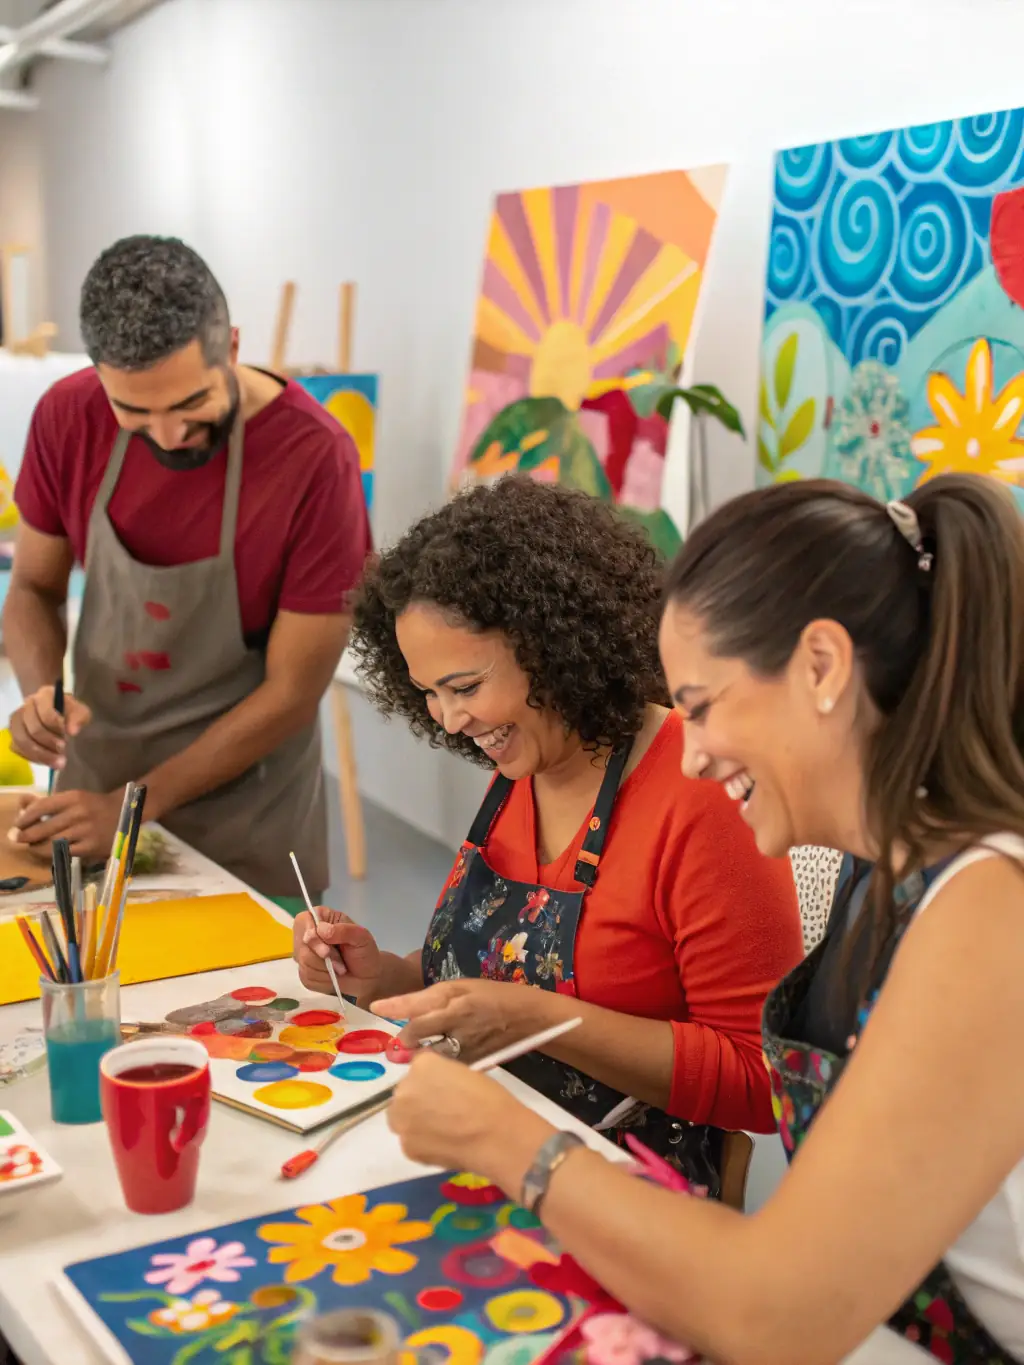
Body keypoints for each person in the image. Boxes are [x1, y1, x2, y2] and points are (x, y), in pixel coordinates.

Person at [385, 473, 1024, 1365]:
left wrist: (507, 1140)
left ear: (822, 668)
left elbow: (777, 1313)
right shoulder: (889, 874)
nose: (689, 758)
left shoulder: (988, 909)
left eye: (704, 707)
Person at [295, 475, 802, 1193]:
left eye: (465, 687)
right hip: (496, 1148)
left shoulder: (701, 793)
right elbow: (489, 980)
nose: (450, 721)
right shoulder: (522, 766)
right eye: (429, 693)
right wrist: (382, 977)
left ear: (554, 646)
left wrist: (539, 1020)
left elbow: (761, 1082)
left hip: (631, 1194)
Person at [5, 236, 370, 905]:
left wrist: (132, 807)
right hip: (95, 789)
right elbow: (32, 586)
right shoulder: (67, 415)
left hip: (246, 816)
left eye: (188, 403)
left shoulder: (315, 457)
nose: (168, 435)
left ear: (231, 348)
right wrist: (41, 694)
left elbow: (293, 691)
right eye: (134, 412)